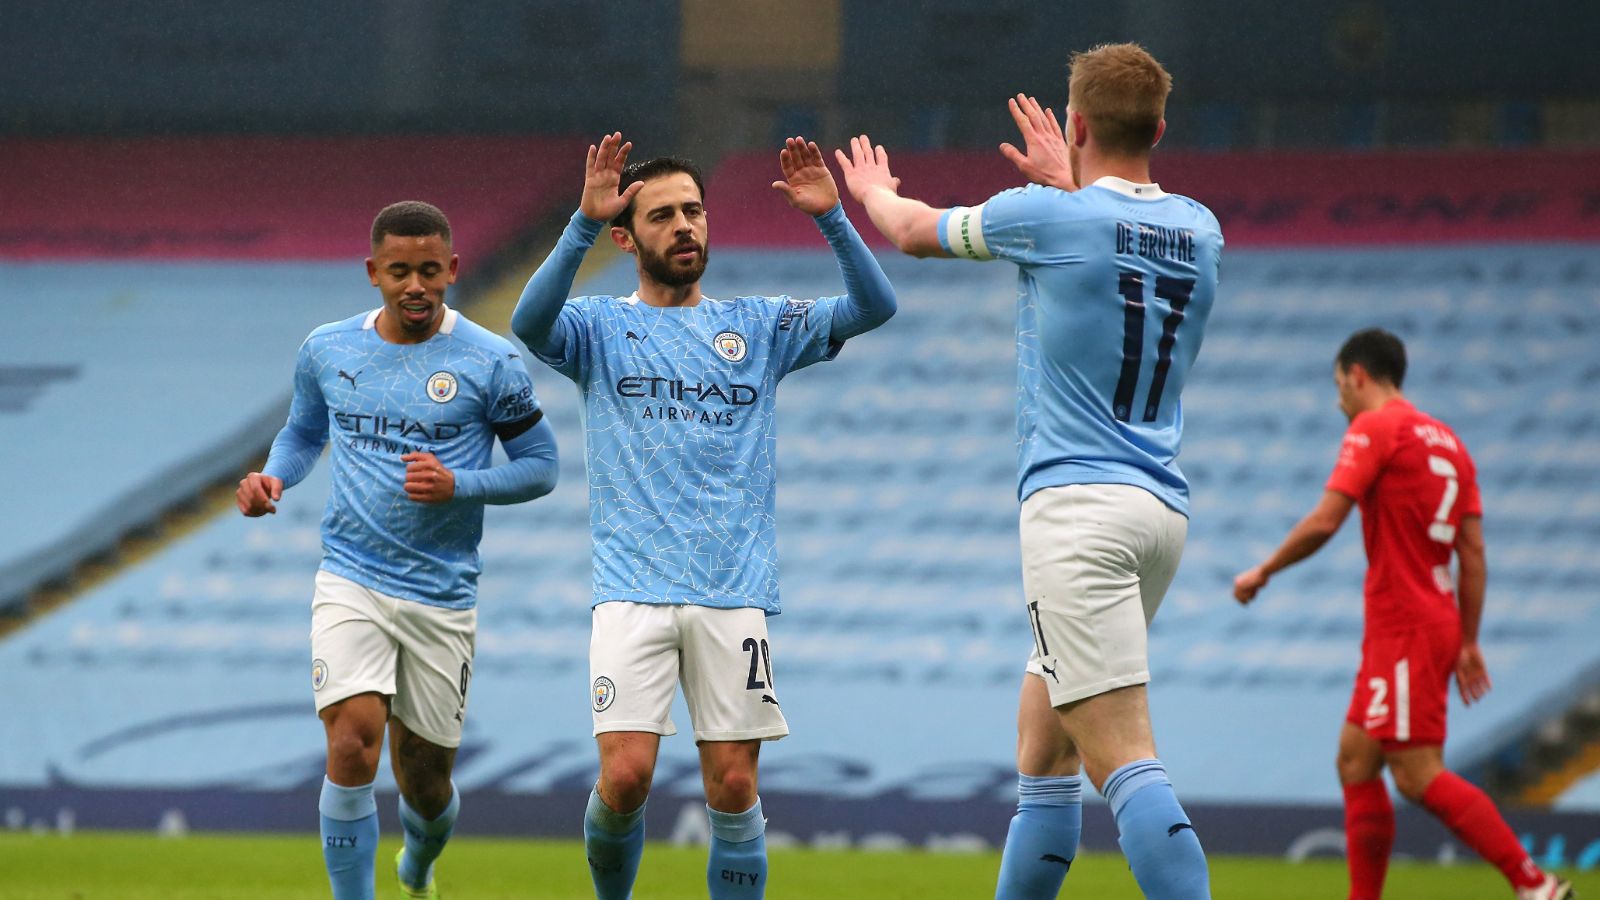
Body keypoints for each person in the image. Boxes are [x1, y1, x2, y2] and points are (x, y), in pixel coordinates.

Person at [836, 43, 1218, 899]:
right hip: (1158, 512)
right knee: (1045, 751)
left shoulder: (1047, 217)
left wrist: (868, 191)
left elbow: (909, 231)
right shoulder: (1201, 229)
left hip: (1076, 510)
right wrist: (1072, 181)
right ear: (1159, 127)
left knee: (1122, 759)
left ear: (1075, 123)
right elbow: (1118, 238)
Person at [510, 132, 895, 899]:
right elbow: (528, 324)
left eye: (694, 210)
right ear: (627, 236)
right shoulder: (596, 329)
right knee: (624, 777)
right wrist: (579, 224)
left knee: (732, 785)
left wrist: (832, 218)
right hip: (632, 589)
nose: (685, 226)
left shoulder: (757, 325)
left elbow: (873, 306)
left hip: (731, 590)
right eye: (663, 216)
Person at [236, 200, 560, 900]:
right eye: (400, 271)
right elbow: (302, 434)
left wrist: (459, 485)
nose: (416, 285)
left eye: (429, 271)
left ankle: (418, 860)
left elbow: (541, 466)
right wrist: (273, 476)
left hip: (441, 595)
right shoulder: (328, 348)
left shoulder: (488, 359)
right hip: (351, 575)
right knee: (352, 743)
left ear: (452, 268)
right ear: (373, 272)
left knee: (426, 779)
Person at [1233, 328, 1572, 900]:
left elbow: (1324, 521)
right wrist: (1467, 640)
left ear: (1358, 375)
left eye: (1339, 385)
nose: (1339, 399)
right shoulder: (1450, 443)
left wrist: (1263, 571)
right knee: (1356, 759)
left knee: (1416, 775)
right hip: (1429, 618)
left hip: (1406, 623)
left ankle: (1533, 883)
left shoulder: (1376, 428)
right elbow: (1473, 552)